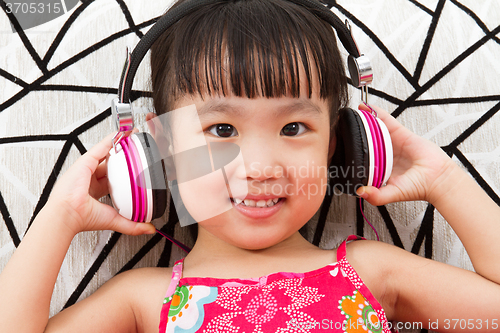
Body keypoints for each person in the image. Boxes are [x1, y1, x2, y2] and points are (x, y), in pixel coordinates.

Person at [1, 0, 500, 332]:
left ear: (340, 146)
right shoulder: (143, 300)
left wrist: (444, 181)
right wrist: (61, 215)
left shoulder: (370, 271)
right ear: (161, 149)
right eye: (221, 131)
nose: (260, 167)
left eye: (293, 129)